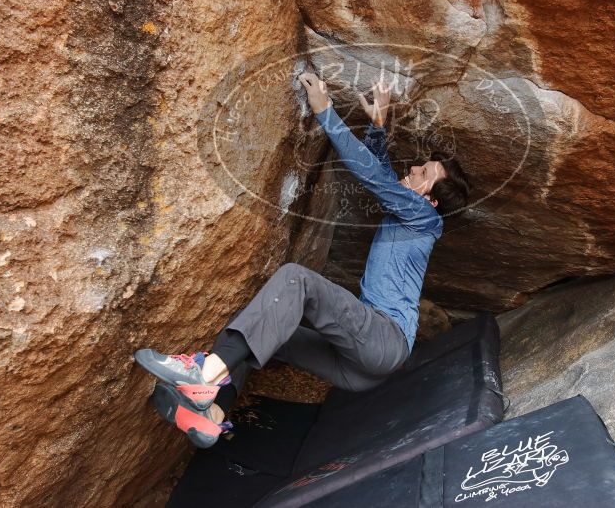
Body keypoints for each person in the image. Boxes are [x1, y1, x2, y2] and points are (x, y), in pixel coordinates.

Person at [135, 73, 472, 448]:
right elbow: (382, 178)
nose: (412, 169)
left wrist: (325, 111)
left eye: (422, 173)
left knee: (297, 279)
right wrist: (377, 126)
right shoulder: (413, 214)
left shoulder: (426, 219)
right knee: (266, 329)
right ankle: (211, 416)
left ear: (432, 201)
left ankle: (204, 374)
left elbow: (373, 178)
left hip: (383, 339)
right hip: (362, 368)